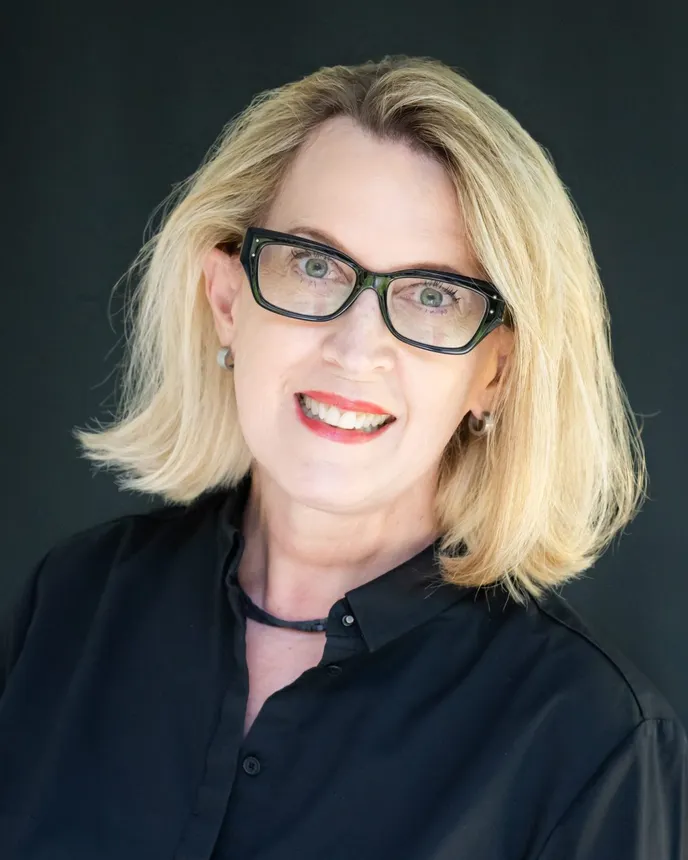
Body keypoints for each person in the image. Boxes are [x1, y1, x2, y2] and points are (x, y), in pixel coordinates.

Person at [1, 55, 686, 860]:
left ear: (493, 372)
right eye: (315, 266)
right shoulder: (75, 603)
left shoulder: (592, 740)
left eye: (433, 294)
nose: (357, 349)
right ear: (228, 300)